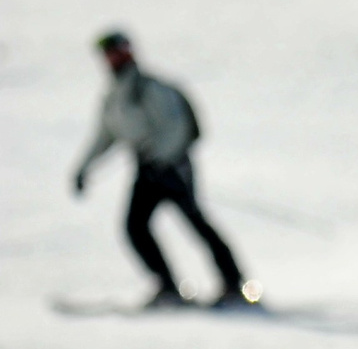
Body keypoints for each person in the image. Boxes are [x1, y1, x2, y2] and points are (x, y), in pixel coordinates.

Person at [70, 31, 255, 308]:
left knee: (195, 223)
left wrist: (162, 160)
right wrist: (83, 169)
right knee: (136, 228)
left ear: (127, 52)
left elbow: (176, 127)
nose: (111, 58)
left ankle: (234, 285)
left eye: (115, 51)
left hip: (172, 167)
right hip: (147, 170)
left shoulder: (150, 88)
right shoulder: (114, 96)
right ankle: (167, 288)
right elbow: (104, 136)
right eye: (107, 54)